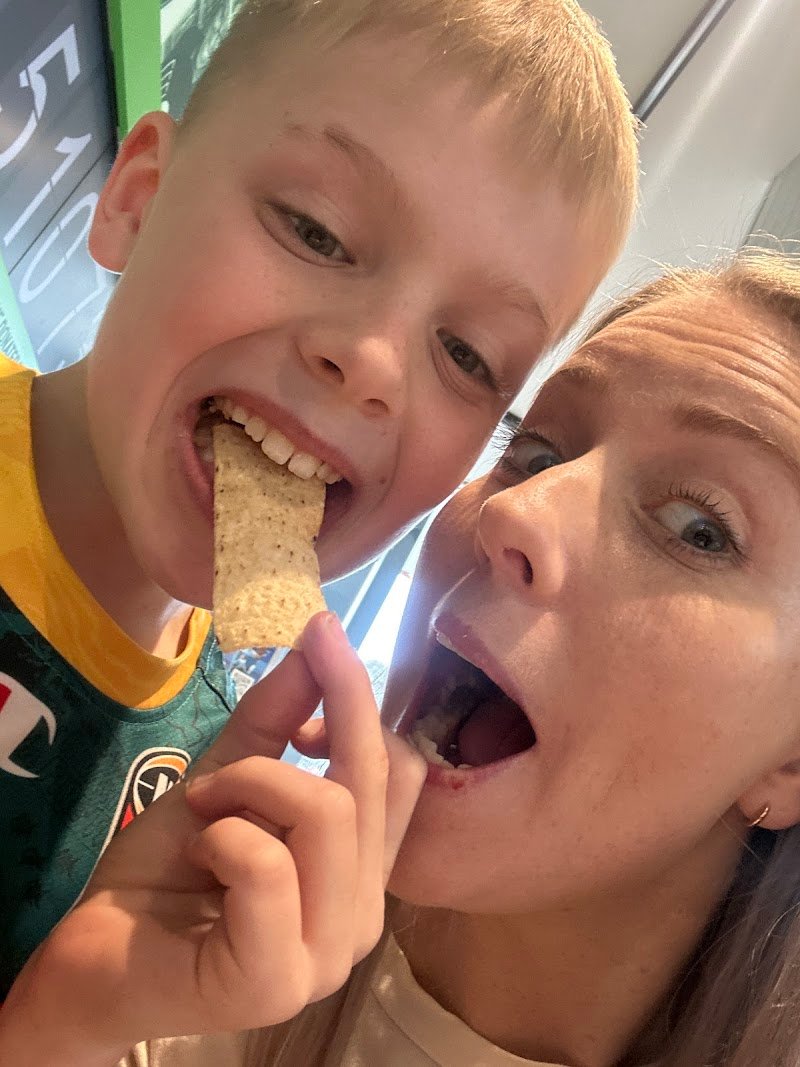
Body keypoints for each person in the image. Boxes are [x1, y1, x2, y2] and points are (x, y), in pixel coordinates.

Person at [3, 247, 800, 1067]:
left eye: (701, 529)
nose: (517, 508)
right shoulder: (207, 958)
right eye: (537, 452)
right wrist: (68, 1015)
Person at [0, 0, 639, 999]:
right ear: (137, 198)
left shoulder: (220, 759)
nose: (372, 363)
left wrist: (111, 1013)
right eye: (317, 231)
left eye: (467, 354)